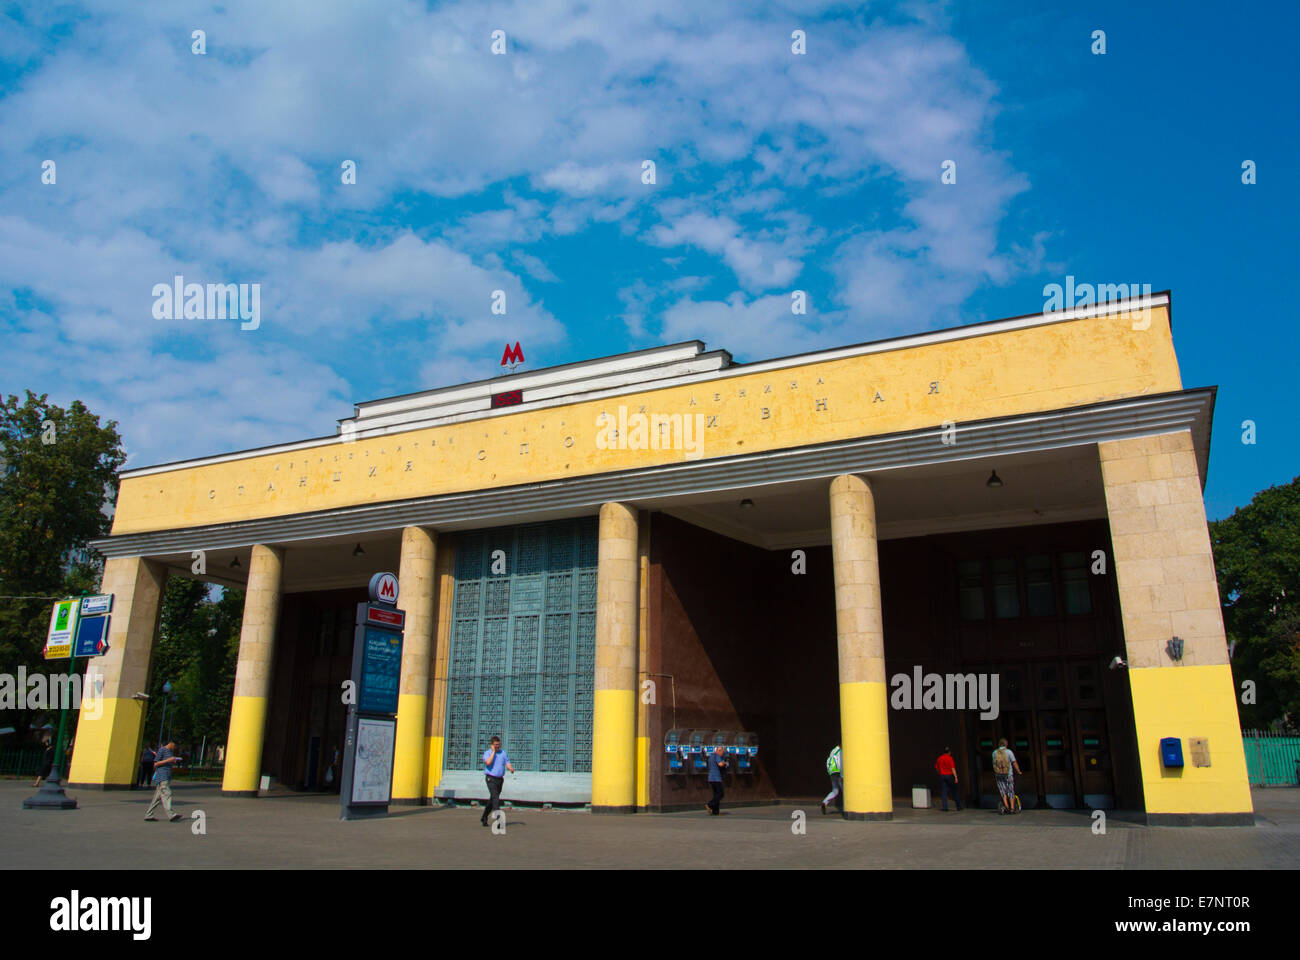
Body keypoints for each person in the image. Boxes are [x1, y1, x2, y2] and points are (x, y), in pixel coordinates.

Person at [144, 740, 184, 822]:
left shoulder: (170, 752)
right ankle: (171, 815)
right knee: (167, 794)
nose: (175, 748)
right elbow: (155, 764)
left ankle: (149, 815)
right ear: (171, 743)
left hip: (167, 776)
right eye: (175, 746)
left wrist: (172, 761)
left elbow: (167, 762)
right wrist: (168, 760)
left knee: (157, 798)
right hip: (162, 776)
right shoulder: (162, 750)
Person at [481, 735, 514, 827]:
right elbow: (488, 762)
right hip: (490, 778)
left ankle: (484, 817)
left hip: (499, 780)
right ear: (492, 745)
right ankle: (499, 820)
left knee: (492, 800)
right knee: (496, 798)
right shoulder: (487, 753)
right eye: (495, 745)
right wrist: (493, 752)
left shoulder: (503, 753)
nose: (497, 746)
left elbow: (507, 762)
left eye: (498, 745)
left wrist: (510, 768)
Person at [992, 738, 1023, 815]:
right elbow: (1014, 762)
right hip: (1008, 774)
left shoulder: (994, 753)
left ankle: (1006, 807)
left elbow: (994, 763)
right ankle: (1012, 808)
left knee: (1003, 791)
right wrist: (1018, 771)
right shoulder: (1009, 752)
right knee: (1010, 790)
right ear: (1006, 744)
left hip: (998, 774)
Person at [934, 746, 962, 811]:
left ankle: (945, 807)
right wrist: (956, 777)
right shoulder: (950, 758)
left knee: (944, 792)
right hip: (949, 776)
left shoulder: (939, 758)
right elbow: (952, 768)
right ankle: (958, 806)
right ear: (949, 752)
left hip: (942, 776)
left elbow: (936, 768)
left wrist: (940, 773)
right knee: (955, 791)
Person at [705, 743, 728, 815]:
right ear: (719, 751)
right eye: (722, 752)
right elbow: (720, 764)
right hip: (716, 778)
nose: (722, 754)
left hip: (711, 778)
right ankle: (709, 805)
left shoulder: (711, 756)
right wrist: (725, 763)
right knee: (721, 794)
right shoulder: (717, 755)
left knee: (716, 795)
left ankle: (715, 812)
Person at [821, 745, 843, 815]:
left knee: (835, 791)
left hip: (832, 773)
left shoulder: (833, 750)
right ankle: (846, 808)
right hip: (839, 773)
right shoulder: (841, 751)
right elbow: (841, 763)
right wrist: (842, 775)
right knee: (844, 792)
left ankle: (825, 802)